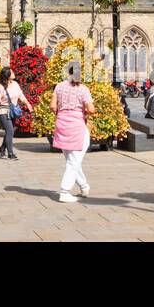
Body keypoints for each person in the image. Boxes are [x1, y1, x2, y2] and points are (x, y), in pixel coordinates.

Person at [53, 62, 95, 203]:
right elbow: (91, 109)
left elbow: (53, 106)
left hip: (61, 125)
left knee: (72, 160)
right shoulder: (83, 89)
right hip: (77, 126)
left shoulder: (59, 86)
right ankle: (64, 192)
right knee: (73, 162)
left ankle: (84, 186)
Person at [0, 66, 29, 160]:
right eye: (12, 72)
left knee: (10, 131)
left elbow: (21, 95)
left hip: (13, 111)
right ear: (7, 75)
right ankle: (10, 153)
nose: (14, 73)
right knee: (10, 131)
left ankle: (2, 148)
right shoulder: (0, 87)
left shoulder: (15, 84)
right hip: (4, 111)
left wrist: (28, 104)